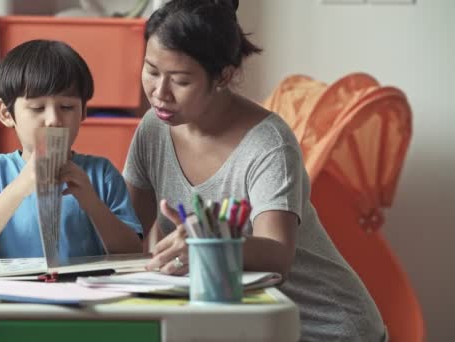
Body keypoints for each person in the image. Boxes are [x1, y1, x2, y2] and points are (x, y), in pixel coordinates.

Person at [123, 0, 386, 340]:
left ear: (224, 76)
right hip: (244, 323)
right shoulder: (153, 129)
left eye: (180, 80)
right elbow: (129, 236)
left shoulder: (269, 143)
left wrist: (209, 244)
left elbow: (277, 254)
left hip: (325, 327)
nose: (159, 93)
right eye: (152, 70)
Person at [0, 39, 143, 260]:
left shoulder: (101, 173)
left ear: (83, 111)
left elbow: (132, 250)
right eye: (37, 108)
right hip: (16, 290)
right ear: (6, 114)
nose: (53, 120)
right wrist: (20, 186)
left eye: (67, 107)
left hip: (83, 288)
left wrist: (92, 202)